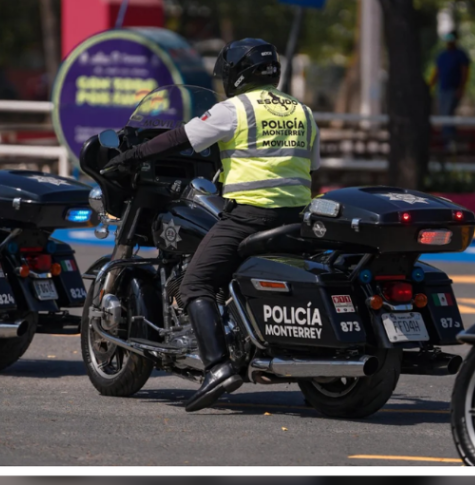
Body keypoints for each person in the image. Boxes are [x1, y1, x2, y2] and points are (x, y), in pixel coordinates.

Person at [103, 38, 319, 412]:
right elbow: (311, 165)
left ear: (236, 75)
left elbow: (180, 138)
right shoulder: (303, 111)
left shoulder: (236, 109)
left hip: (250, 215)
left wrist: (131, 155)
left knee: (195, 284)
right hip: (298, 217)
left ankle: (217, 367)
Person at [428, 33, 471, 141]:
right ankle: (447, 139)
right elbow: (437, 73)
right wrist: (429, 87)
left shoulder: (460, 55)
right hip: (442, 89)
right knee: (444, 114)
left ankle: (448, 140)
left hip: (453, 90)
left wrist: (461, 88)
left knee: (447, 114)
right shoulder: (442, 55)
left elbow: (465, 72)